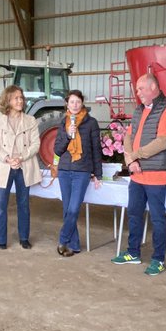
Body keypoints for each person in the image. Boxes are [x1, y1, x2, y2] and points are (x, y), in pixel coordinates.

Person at [111, 73, 166, 275]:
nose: (138, 93)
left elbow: (163, 141)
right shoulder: (139, 110)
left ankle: (158, 259)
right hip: (137, 174)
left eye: (141, 89)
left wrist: (136, 156)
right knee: (134, 213)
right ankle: (133, 252)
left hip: (157, 174)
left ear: (153, 88)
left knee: (158, 219)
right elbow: (129, 136)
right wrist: (130, 160)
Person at [0, 84, 40, 251]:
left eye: (21, 97)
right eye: (16, 98)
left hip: (24, 165)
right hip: (4, 166)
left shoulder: (31, 120)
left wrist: (21, 158)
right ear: (7, 100)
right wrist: (7, 159)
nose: (20, 100)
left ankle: (24, 238)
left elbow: (36, 144)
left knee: (24, 204)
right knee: (0, 206)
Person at [52, 90, 102, 257]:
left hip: (82, 170)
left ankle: (62, 239)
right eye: (71, 102)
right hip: (65, 170)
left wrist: (98, 173)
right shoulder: (63, 122)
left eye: (77, 102)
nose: (74, 105)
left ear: (82, 103)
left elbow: (96, 149)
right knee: (67, 209)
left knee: (73, 209)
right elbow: (57, 150)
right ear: (67, 104)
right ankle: (74, 245)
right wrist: (67, 135)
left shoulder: (91, 123)